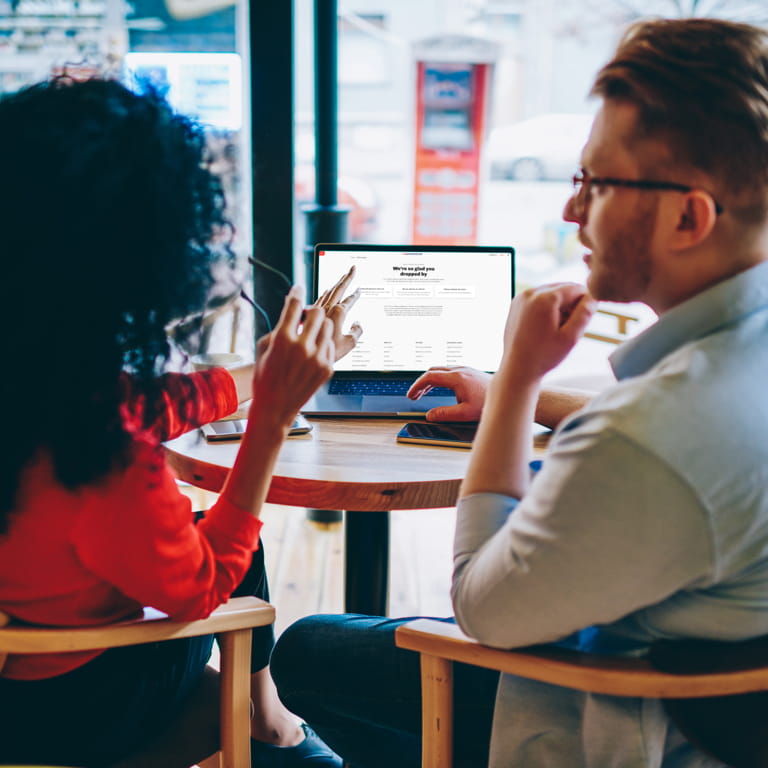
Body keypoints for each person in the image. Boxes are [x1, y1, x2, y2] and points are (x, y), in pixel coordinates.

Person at [270, 17, 768, 768]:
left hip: (606, 713)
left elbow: (482, 607)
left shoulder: (648, 438)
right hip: (713, 704)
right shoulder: (728, 371)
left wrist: (518, 380)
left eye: (597, 183)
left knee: (308, 649)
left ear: (687, 216)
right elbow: (663, 428)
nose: (573, 212)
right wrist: (520, 392)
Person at [0, 76, 360, 768]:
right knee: (239, 547)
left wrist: (264, 377)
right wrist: (273, 419)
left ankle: (269, 717)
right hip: (69, 704)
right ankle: (274, 724)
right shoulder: (104, 457)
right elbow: (201, 586)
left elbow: (136, 401)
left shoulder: (38, 372)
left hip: (19, 672)